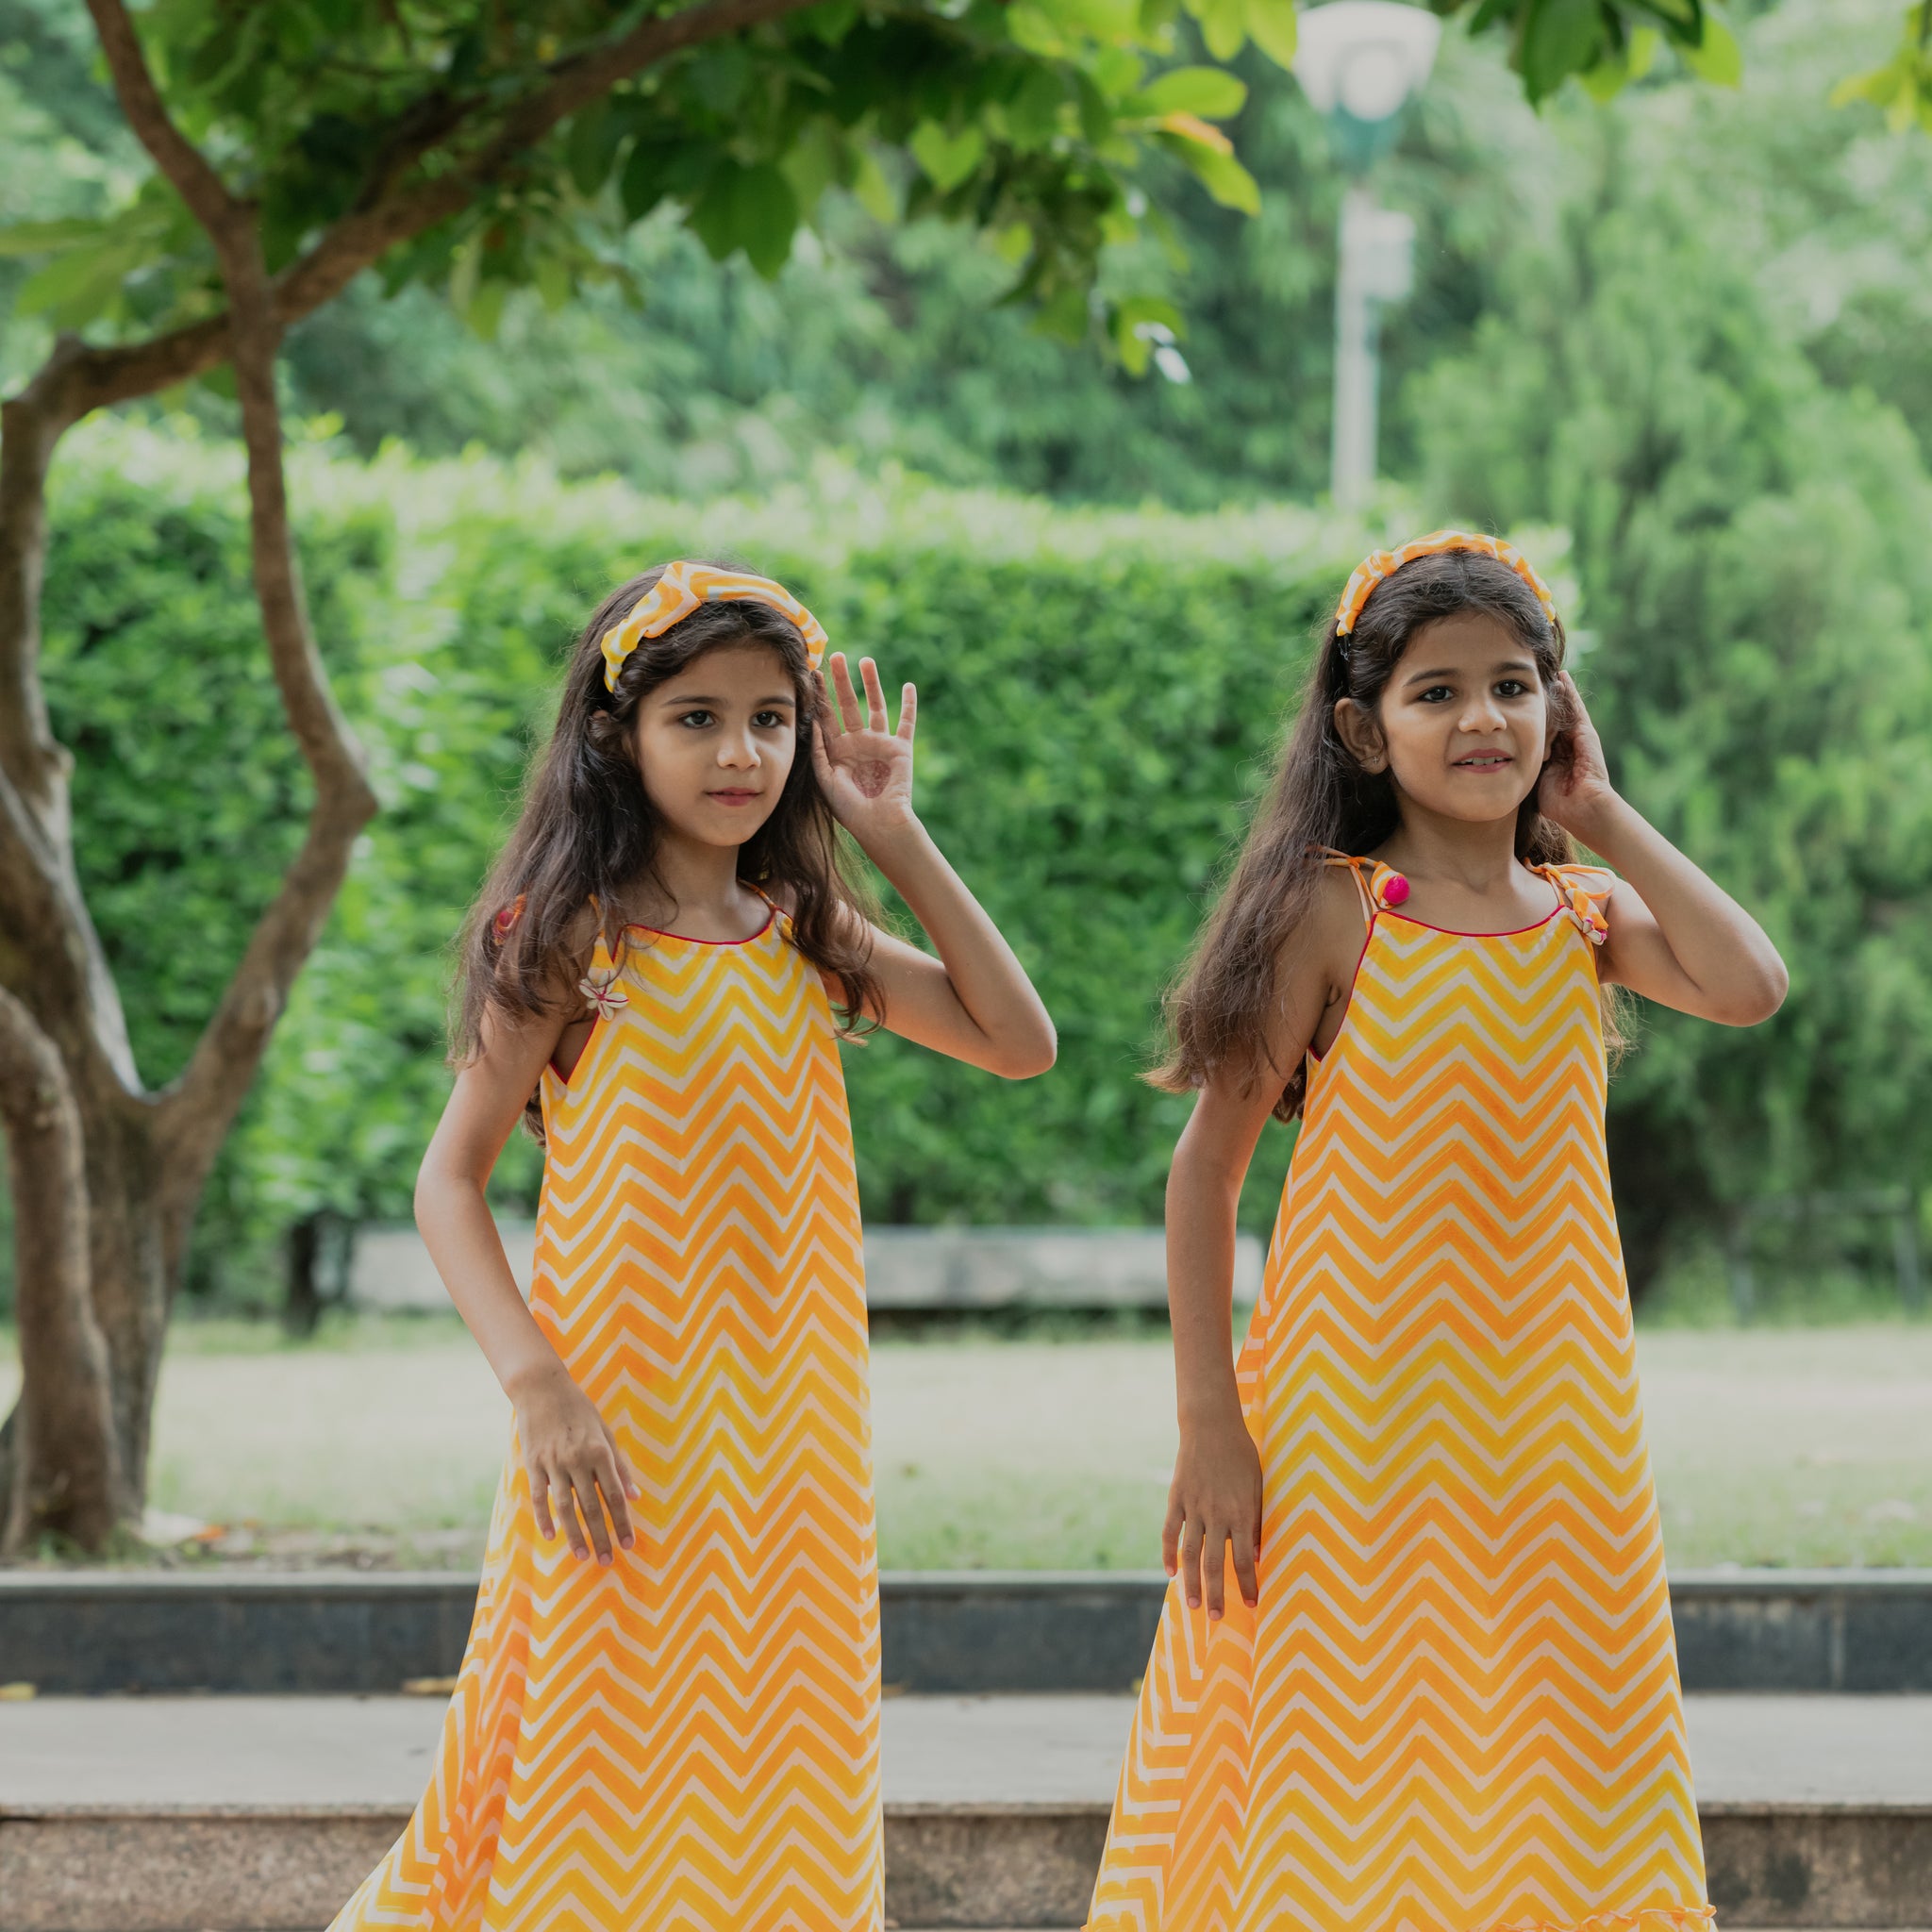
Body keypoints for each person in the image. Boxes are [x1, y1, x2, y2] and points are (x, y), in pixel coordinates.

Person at [330, 560, 1055, 1931]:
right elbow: (449, 1181)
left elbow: (1020, 1045)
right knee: (586, 1757)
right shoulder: (564, 941)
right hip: (617, 1434)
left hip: (793, 1450)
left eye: (772, 720)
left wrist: (894, 836)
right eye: (698, 718)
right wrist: (540, 1391)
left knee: (782, 1760)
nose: (742, 752)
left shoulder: (806, 933)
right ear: (619, 735)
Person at [1085, 531, 1787, 1932]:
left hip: (1553, 1427)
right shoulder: (1334, 917)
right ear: (1363, 726)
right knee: (1348, 1751)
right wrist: (1211, 1424)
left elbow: (1750, 981)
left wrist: (1602, 815)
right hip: (1355, 1428)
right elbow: (1204, 1177)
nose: (1484, 720)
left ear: (1558, 710)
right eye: (1438, 692)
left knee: (1556, 1757)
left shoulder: (1581, 916)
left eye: (1516, 686)